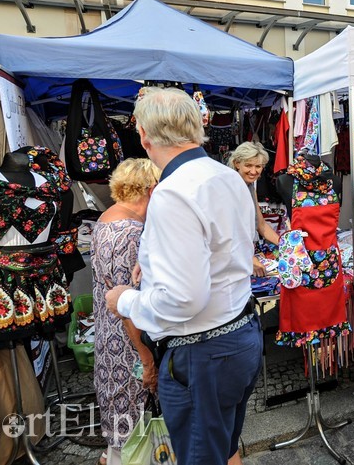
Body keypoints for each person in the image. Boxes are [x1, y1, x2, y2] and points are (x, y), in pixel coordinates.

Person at [104, 87, 262, 465]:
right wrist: (152, 257)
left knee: (202, 456)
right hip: (238, 335)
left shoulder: (174, 190)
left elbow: (184, 298)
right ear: (197, 127)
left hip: (203, 352)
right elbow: (228, 246)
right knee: (222, 449)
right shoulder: (225, 176)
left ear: (143, 135)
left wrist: (123, 300)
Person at [91, 158, 160, 465]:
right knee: (135, 431)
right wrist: (146, 359)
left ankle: (112, 458)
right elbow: (127, 304)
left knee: (120, 424)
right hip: (128, 345)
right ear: (150, 187)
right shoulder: (132, 232)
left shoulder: (106, 218)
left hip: (109, 339)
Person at [227, 142, 280, 277]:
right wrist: (249, 258)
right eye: (248, 165)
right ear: (237, 163)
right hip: (232, 255)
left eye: (258, 166)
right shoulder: (229, 187)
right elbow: (228, 231)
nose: (253, 171)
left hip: (245, 252)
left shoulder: (250, 186)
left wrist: (286, 245)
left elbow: (261, 225)